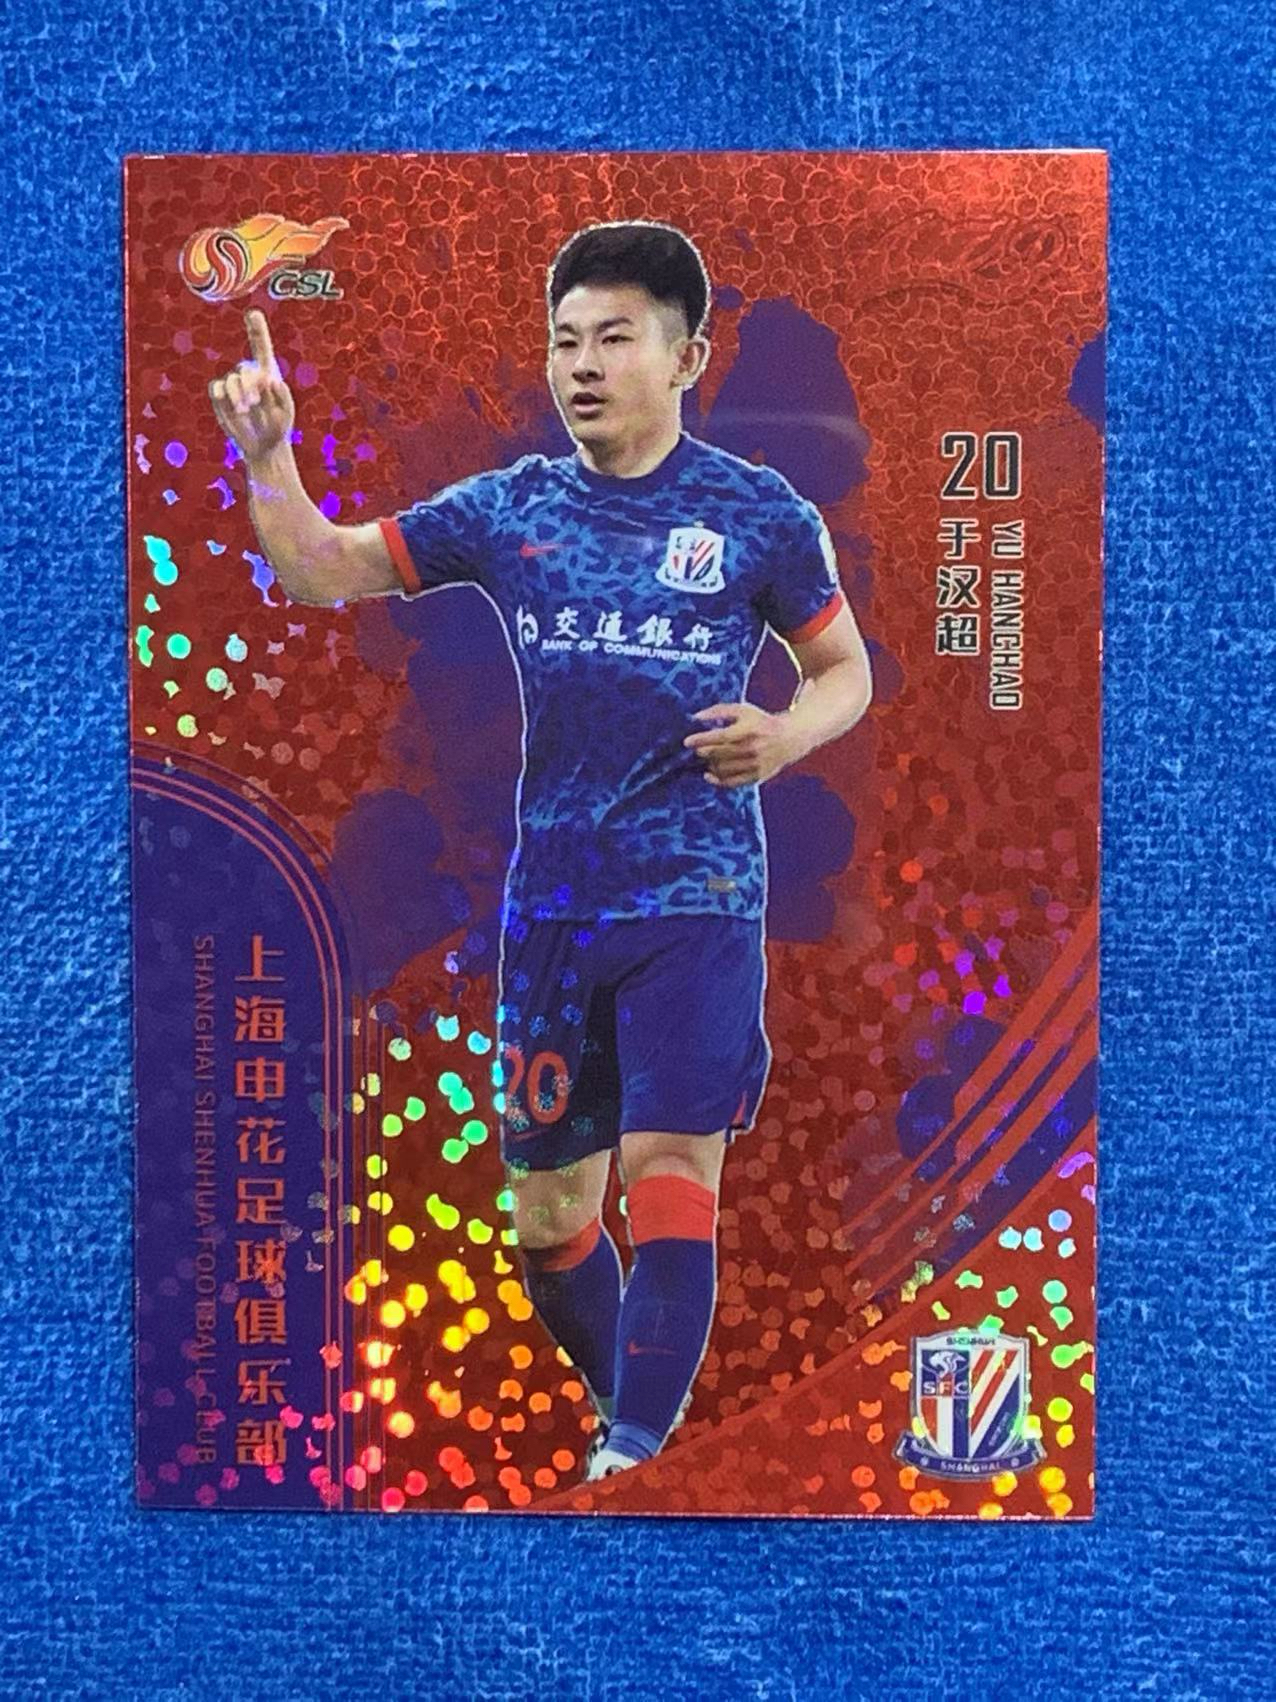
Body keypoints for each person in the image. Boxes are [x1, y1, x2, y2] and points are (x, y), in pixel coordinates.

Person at [208, 220, 873, 1480]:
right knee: (549, 1222)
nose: (582, 366)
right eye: (565, 341)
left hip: (700, 894)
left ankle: (636, 1447)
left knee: (671, 1170)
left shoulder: (758, 514)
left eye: (613, 339)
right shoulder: (511, 507)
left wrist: (786, 733)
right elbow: (321, 568)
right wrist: (270, 455)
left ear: (687, 357)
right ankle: (643, 1418)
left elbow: (843, 671)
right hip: (556, 909)